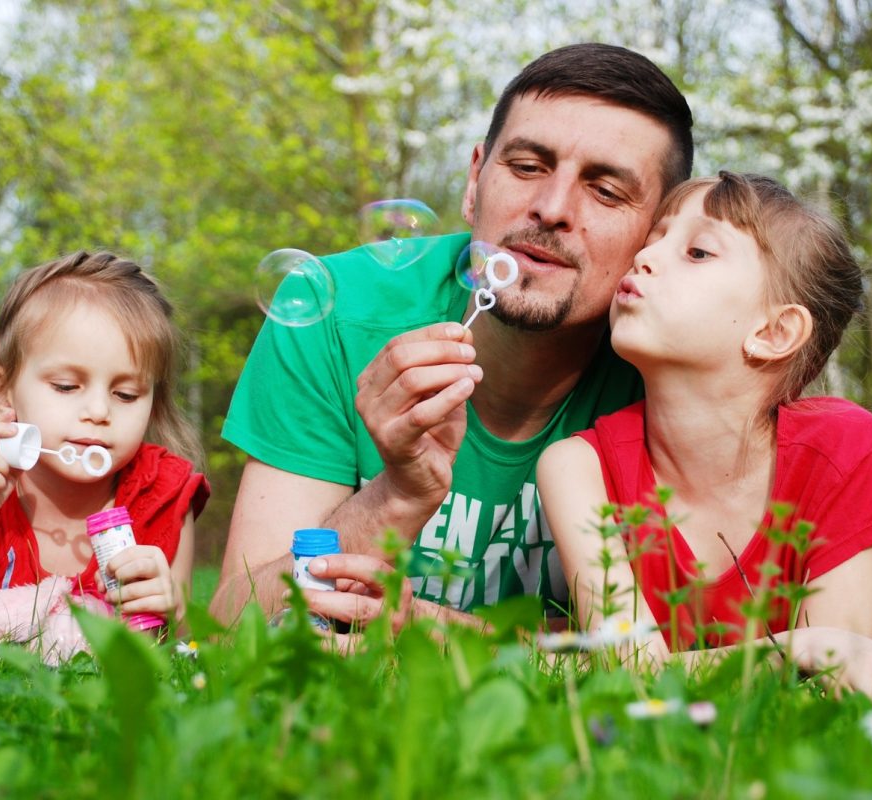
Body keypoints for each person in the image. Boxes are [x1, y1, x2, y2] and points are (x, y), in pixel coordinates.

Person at [211, 42, 694, 632]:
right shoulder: (330, 309)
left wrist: (438, 634)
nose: (551, 208)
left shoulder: (675, 366)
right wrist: (397, 497)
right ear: (474, 181)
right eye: (527, 166)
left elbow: (673, 655)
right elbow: (234, 623)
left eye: (606, 191)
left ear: (657, 237)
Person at [537, 171, 872, 703]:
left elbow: (830, 689)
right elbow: (626, 668)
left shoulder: (844, 449)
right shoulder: (575, 467)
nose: (643, 258)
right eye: (653, 240)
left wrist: (815, 652)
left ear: (773, 333)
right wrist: (796, 646)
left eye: (697, 252)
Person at [0, 251, 210, 648]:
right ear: (2, 389)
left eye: (126, 393)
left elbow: (182, 657)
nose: (99, 411)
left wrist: (175, 612)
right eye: (67, 387)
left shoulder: (163, 497)